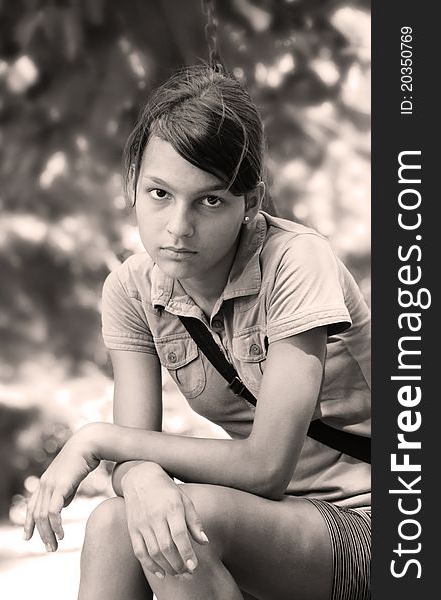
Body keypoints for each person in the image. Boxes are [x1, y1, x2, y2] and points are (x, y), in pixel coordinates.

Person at [24, 64, 371, 600]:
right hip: (274, 522)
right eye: (160, 193)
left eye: (209, 201)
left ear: (249, 204)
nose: (178, 227)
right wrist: (141, 477)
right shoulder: (131, 290)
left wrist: (96, 440)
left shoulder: (298, 261)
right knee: (115, 524)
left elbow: (265, 469)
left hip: (380, 524)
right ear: (132, 185)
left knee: (184, 523)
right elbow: (133, 456)